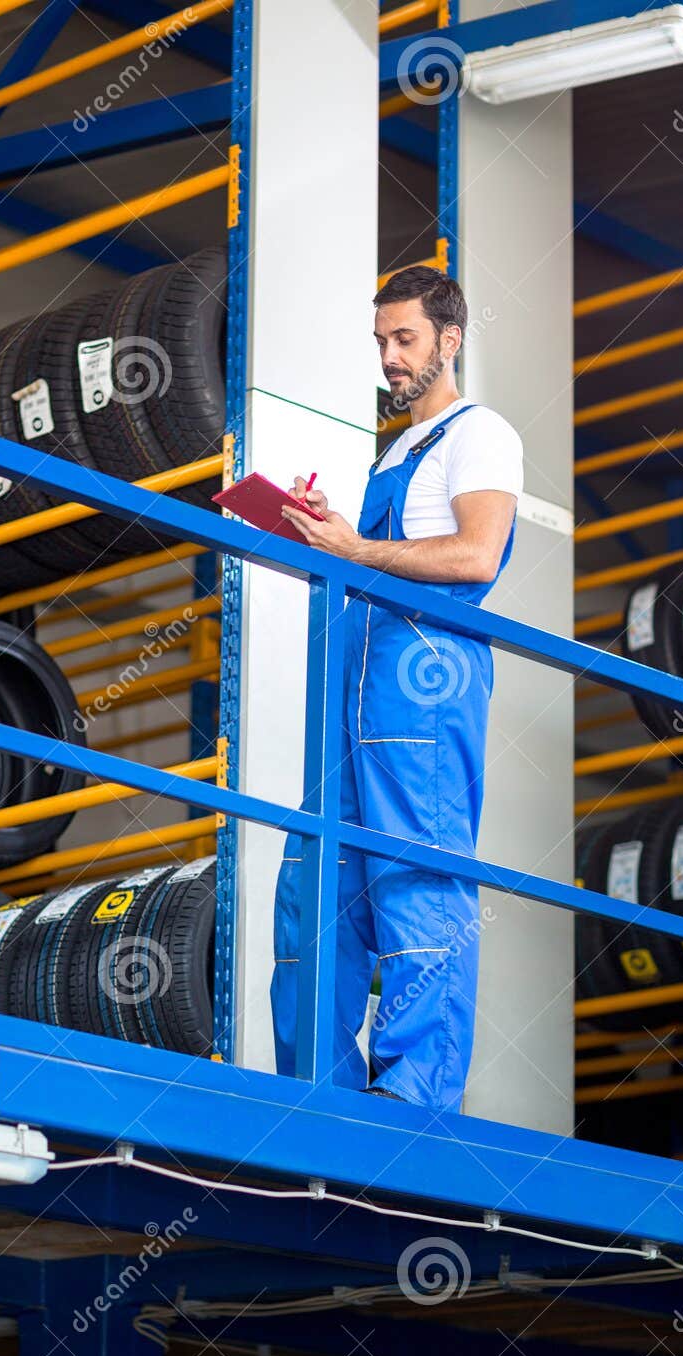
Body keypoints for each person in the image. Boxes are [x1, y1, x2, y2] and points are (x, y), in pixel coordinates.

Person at [269, 265, 522, 1113]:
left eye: (404, 339)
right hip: (356, 683)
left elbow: (474, 557)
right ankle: (316, 1090)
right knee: (316, 883)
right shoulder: (396, 451)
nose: (389, 357)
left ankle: (413, 1098)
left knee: (416, 877)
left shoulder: (477, 435)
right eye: (380, 340)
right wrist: (315, 534)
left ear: (450, 340)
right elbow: (377, 554)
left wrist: (355, 552)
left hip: (423, 684)